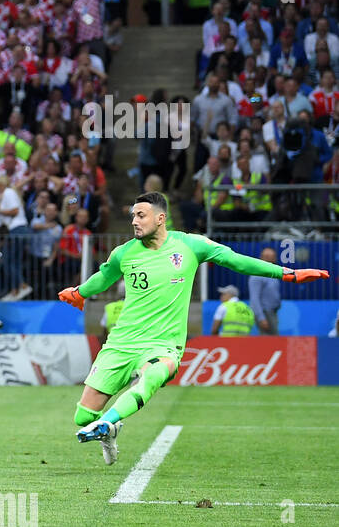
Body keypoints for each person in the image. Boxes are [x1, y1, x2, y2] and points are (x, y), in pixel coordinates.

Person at [59, 192, 329, 464]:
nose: (134, 222)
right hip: (121, 343)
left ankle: (107, 423)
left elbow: (236, 260)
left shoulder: (190, 245)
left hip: (163, 345)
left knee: (152, 377)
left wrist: (287, 273)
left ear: (160, 218)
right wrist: (79, 292)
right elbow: (104, 278)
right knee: (82, 416)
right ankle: (109, 429)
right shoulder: (124, 253)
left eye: (141, 215)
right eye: (133, 216)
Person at [248, 246, 282, 335]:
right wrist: (261, 318)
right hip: (265, 313)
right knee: (270, 341)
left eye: (272, 257)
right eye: (267, 257)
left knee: (273, 340)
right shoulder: (257, 275)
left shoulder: (272, 274)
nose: (270, 260)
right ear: (261, 258)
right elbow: (254, 299)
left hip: (272, 312)